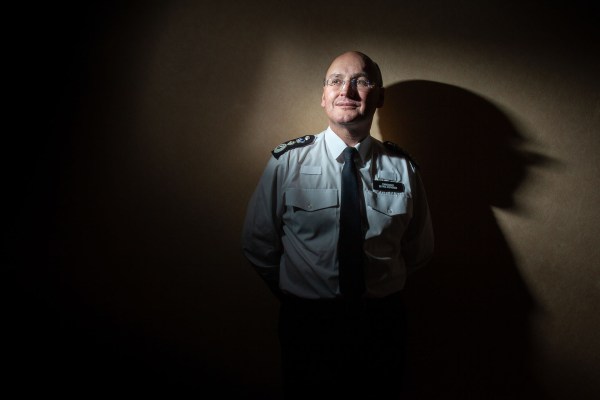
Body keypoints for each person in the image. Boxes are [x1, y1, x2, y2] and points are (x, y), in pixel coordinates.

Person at [242, 51, 434, 398]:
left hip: (381, 325)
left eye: (361, 81)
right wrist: (295, 292)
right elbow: (258, 243)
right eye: (336, 81)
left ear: (379, 97)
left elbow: (419, 249)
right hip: (308, 326)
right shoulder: (287, 163)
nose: (346, 90)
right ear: (324, 95)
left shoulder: (404, 169)